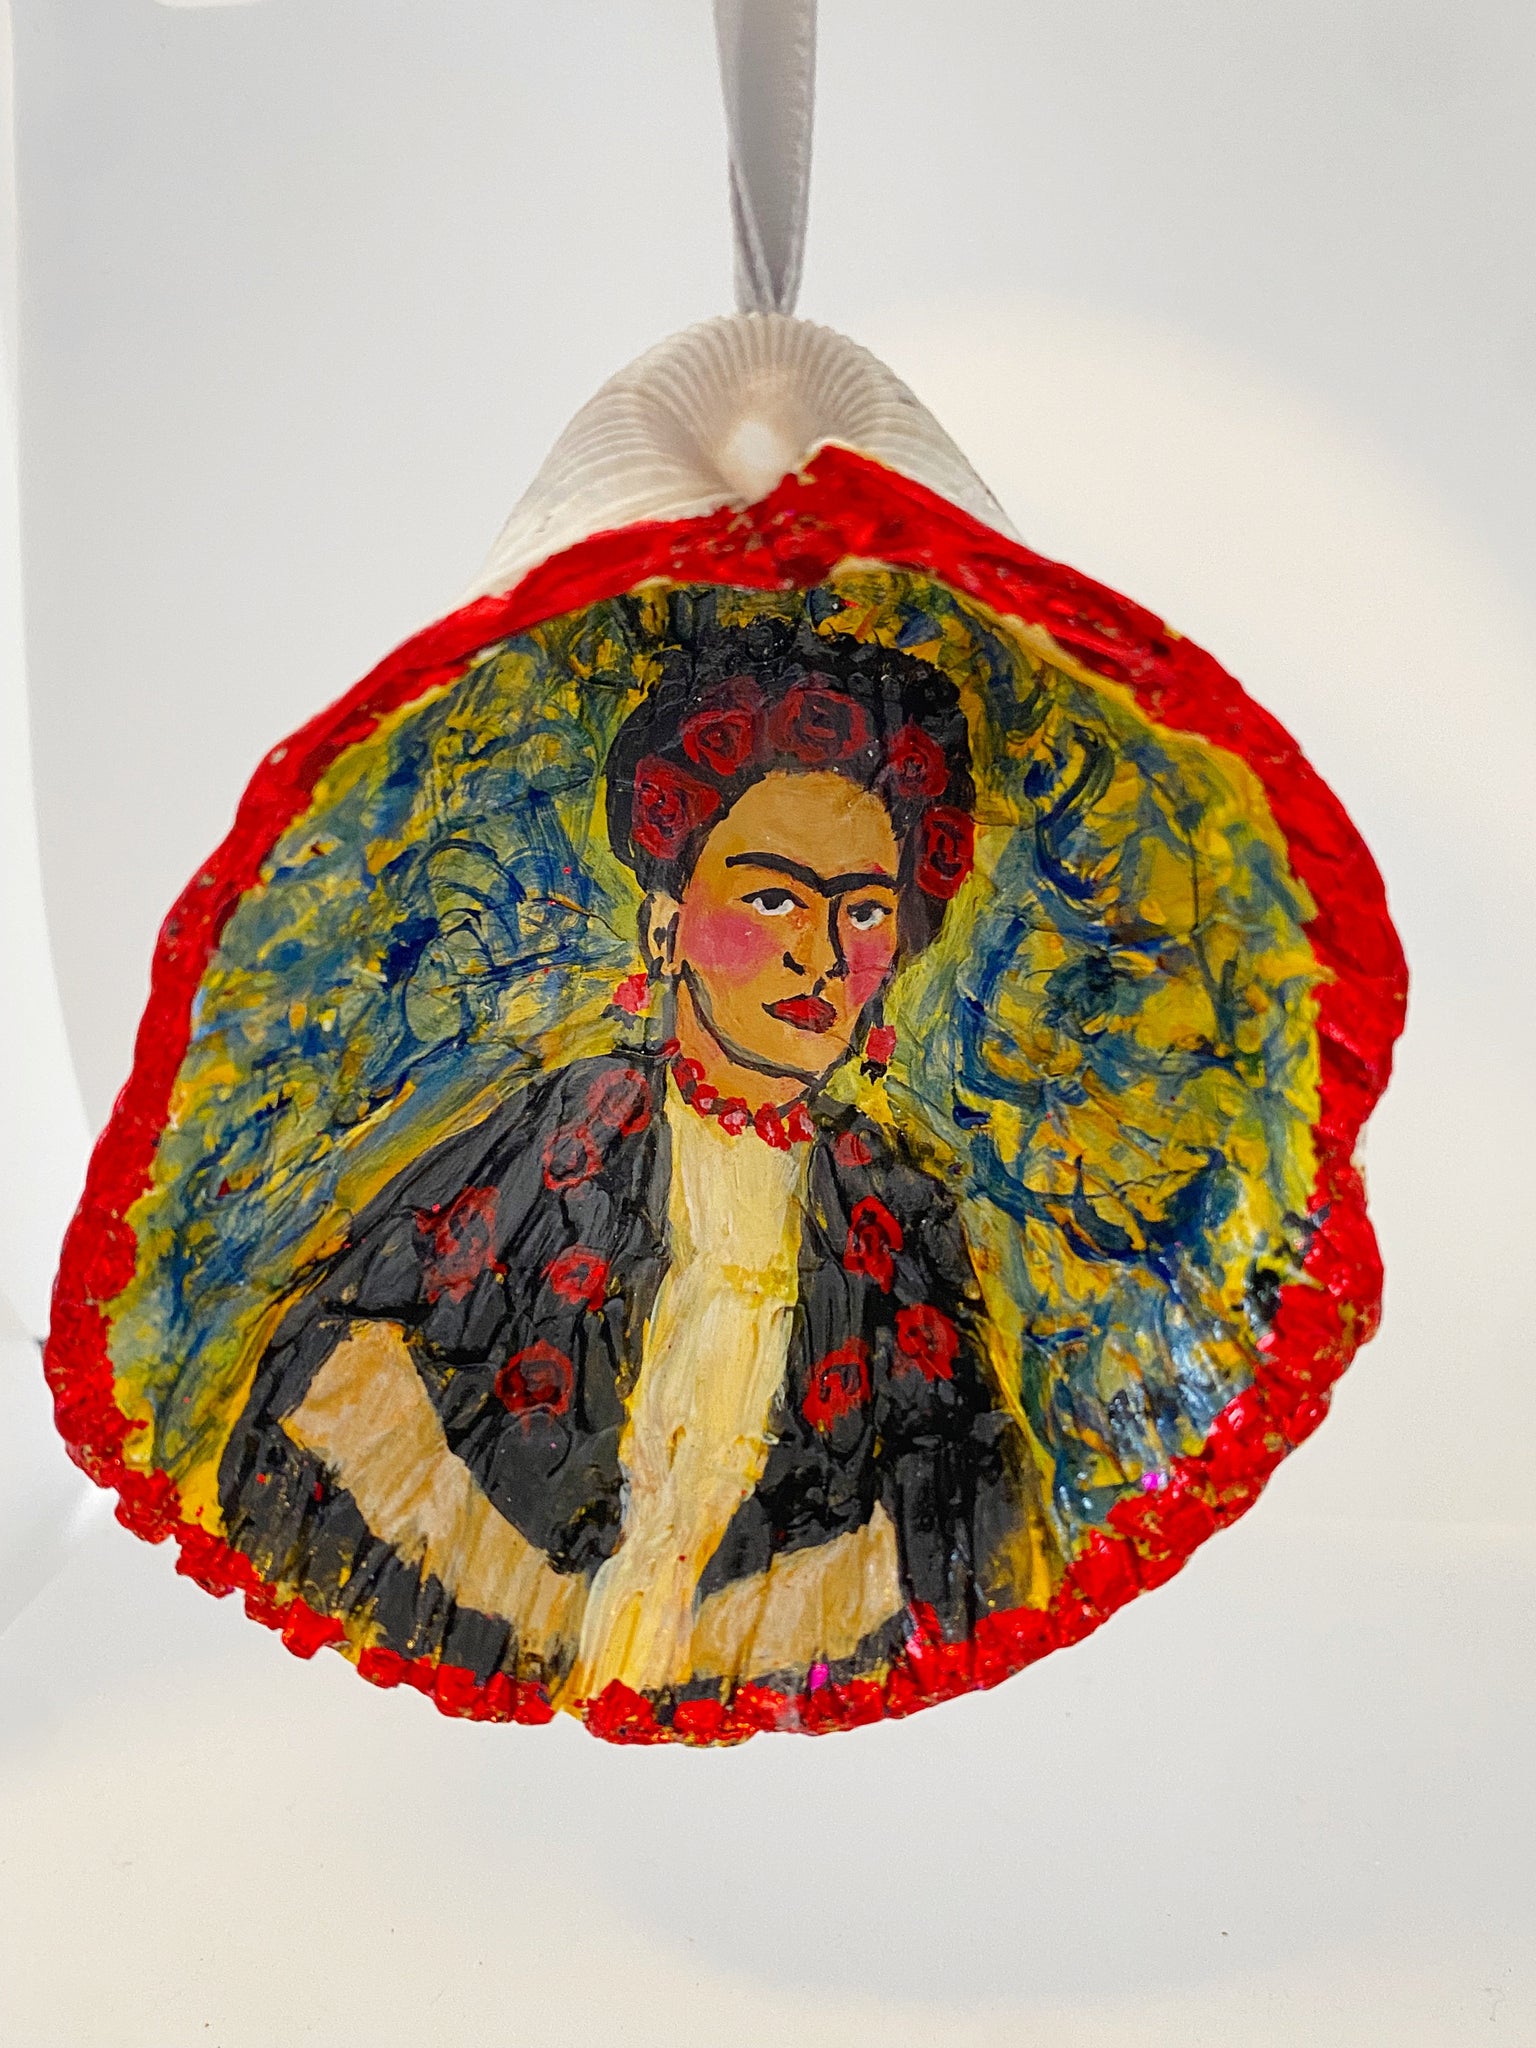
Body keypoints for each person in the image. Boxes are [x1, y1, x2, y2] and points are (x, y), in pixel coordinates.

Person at [219, 610, 1049, 1714]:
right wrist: (516, 1585)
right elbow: (333, 1372)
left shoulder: (897, 1212)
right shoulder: (574, 1126)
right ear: (667, 925)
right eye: (772, 897)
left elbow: (970, 1525)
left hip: (758, 1696)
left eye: (863, 912)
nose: (819, 954)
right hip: (488, 1664)